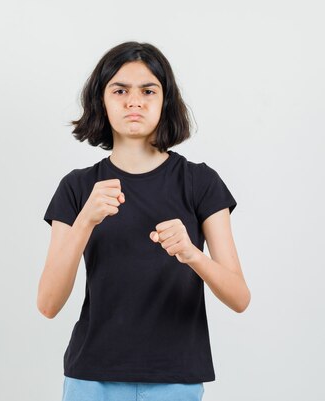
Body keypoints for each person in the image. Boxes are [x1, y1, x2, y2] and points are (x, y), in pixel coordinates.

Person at [37, 41, 251, 401]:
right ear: (101, 101)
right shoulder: (77, 188)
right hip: (91, 379)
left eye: (148, 90)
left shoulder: (200, 182)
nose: (133, 101)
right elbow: (48, 304)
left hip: (175, 379)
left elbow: (239, 297)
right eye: (119, 90)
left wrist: (192, 254)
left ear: (165, 100)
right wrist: (85, 222)